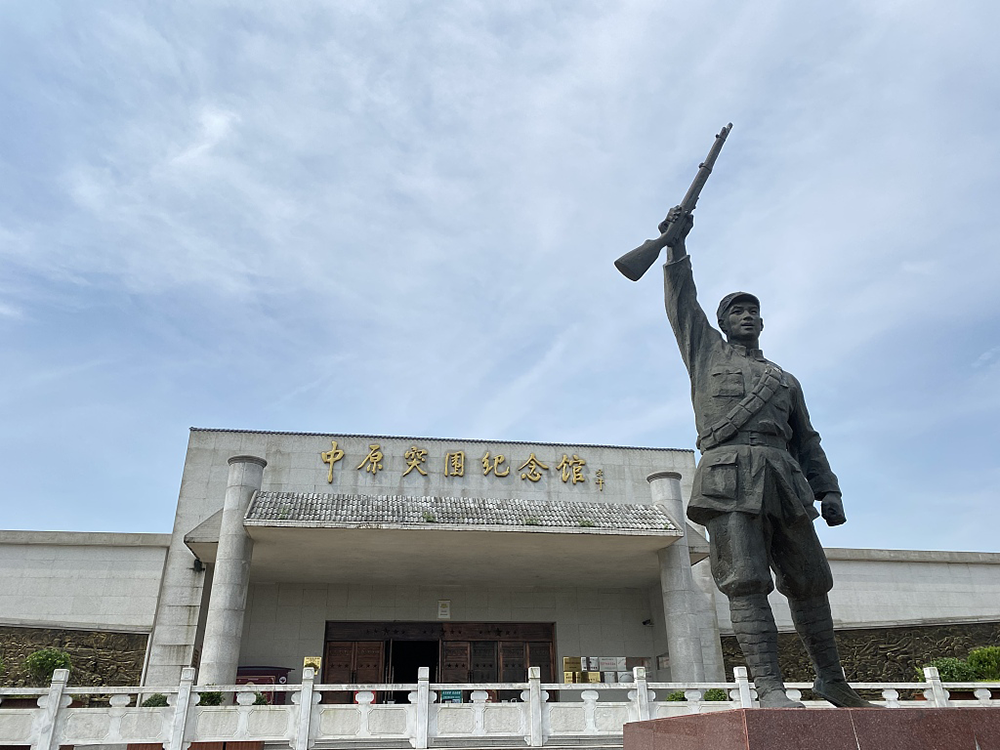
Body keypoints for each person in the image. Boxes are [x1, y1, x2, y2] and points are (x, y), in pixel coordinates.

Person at [660, 206, 874, 708]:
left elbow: (807, 440)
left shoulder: (784, 380)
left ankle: (831, 680)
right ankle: (770, 688)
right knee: (746, 581)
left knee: (810, 581)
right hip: (729, 478)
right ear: (722, 323)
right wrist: (676, 246)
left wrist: (829, 490)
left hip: (785, 478)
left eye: (753, 311)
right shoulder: (706, 354)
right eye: (737, 311)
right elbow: (682, 302)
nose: (748, 316)